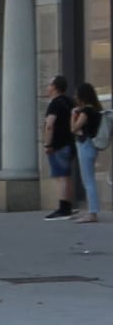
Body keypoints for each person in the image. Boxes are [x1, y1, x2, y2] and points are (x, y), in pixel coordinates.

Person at [46, 76, 78, 221]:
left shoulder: (54, 104)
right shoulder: (70, 102)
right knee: (66, 175)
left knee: (60, 177)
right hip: (70, 143)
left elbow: (49, 125)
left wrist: (48, 144)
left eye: (49, 84)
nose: (48, 87)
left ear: (55, 87)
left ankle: (63, 209)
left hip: (58, 145)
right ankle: (68, 206)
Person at [73, 82, 105, 224]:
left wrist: (72, 114)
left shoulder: (85, 111)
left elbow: (74, 128)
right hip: (92, 145)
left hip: (85, 144)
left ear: (82, 95)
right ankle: (92, 211)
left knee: (88, 180)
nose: (75, 96)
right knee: (89, 179)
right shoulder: (97, 110)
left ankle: (92, 213)